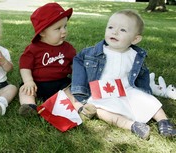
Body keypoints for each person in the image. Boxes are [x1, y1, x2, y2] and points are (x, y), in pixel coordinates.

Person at [71, 9, 176, 139]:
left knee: (150, 101)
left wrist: (144, 92)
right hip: (103, 93)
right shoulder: (93, 53)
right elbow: (78, 62)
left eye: (123, 30)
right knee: (99, 110)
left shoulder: (135, 56)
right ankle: (133, 126)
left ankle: (163, 121)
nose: (114, 32)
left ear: (135, 39)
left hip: (128, 90)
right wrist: (80, 90)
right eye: (110, 27)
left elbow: (142, 75)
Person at [18, 3, 96, 118]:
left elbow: (74, 66)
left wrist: (78, 76)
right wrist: (28, 81)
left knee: (69, 92)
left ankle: (80, 107)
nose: (63, 31)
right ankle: (29, 106)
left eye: (65, 26)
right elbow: (25, 66)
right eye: (58, 28)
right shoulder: (33, 49)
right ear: (42, 32)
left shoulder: (68, 48)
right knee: (25, 90)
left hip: (60, 83)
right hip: (37, 83)